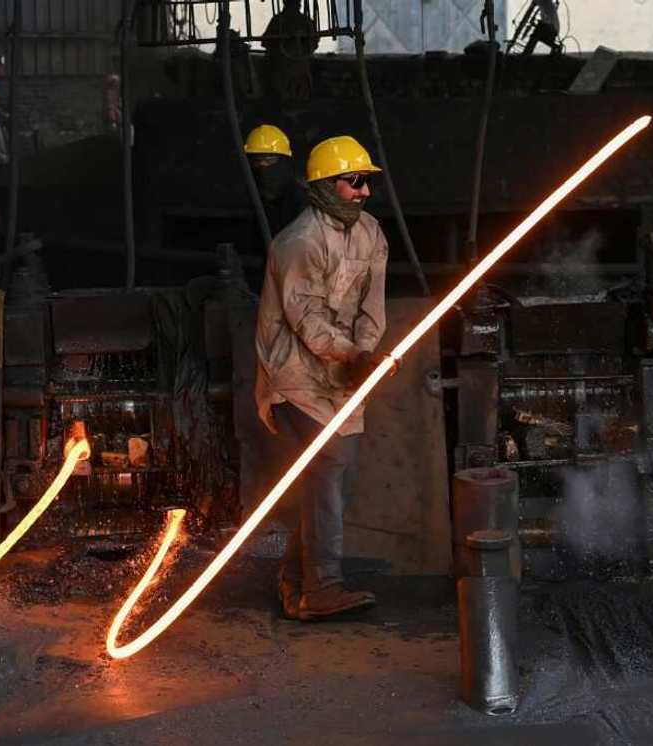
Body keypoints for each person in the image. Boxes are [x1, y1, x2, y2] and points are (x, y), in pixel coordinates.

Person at [254, 135, 393, 622]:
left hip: (342, 378)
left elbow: (372, 307)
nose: (364, 192)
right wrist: (349, 355)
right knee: (328, 474)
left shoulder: (371, 233)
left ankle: (297, 586)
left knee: (334, 482)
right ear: (325, 186)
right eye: (354, 182)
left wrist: (365, 355)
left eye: (367, 182)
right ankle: (322, 587)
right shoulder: (298, 242)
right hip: (295, 377)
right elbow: (306, 319)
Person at [244, 124, 306, 236]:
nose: (262, 164)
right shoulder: (251, 195)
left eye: (269, 158)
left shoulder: (300, 199)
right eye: (257, 159)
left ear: (283, 161)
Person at [261, 1, 317, 104]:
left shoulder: (278, 20)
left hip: (284, 67)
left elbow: (265, 42)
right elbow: (315, 43)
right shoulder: (306, 20)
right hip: (300, 66)